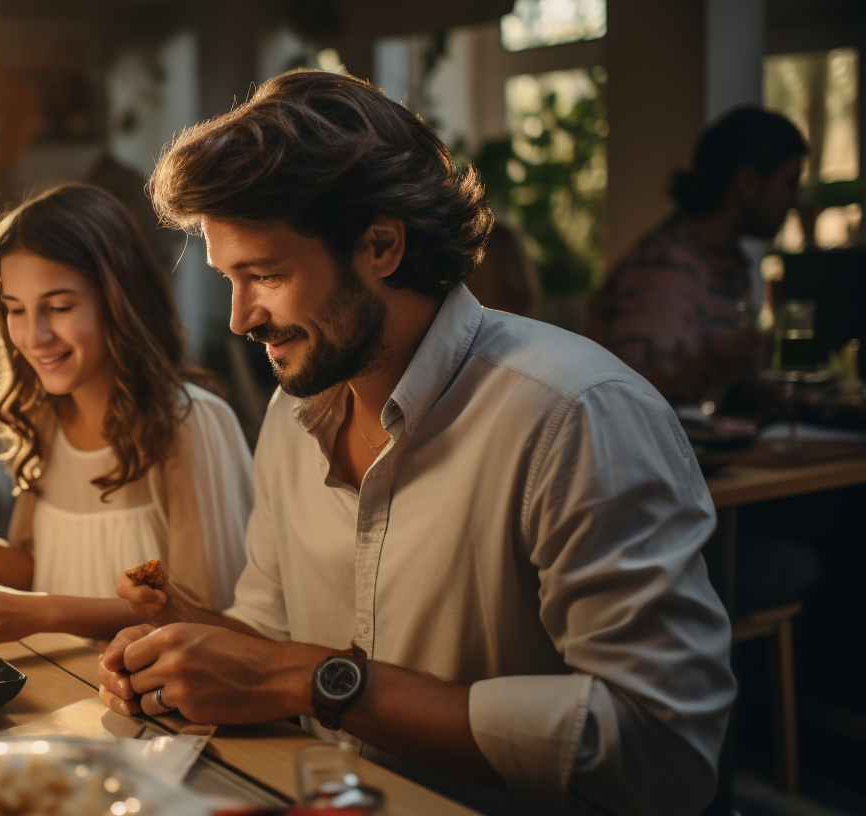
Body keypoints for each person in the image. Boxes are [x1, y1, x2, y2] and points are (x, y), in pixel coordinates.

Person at [96, 71, 734, 816]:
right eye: (229, 279)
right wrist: (181, 645)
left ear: (381, 245)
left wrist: (316, 683)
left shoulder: (576, 415)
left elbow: (664, 756)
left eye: (264, 274)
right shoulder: (290, 414)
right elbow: (272, 640)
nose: (241, 319)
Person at [0, 183, 254, 644]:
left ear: (118, 301)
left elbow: (203, 616)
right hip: (59, 695)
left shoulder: (188, 425)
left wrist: (41, 611)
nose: (34, 335)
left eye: (59, 307)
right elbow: (33, 570)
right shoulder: (45, 417)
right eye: (14, 309)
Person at [586, 107, 809, 406]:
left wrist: (748, 390)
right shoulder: (669, 266)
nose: (795, 200)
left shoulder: (729, 261)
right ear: (748, 181)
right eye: (789, 183)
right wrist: (712, 364)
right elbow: (628, 398)